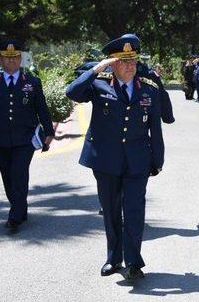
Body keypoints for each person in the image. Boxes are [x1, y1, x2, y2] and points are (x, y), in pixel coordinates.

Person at [65, 33, 164, 280]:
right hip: (106, 160)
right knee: (111, 211)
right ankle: (113, 259)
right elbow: (72, 92)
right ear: (113, 63)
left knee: (134, 210)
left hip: (138, 160)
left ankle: (133, 262)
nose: (131, 66)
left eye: (133, 60)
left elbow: (155, 128)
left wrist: (157, 160)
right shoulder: (99, 83)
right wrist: (96, 69)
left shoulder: (149, 89)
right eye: (124, 61)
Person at [0, 40, 55, 231]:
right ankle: (20, 208)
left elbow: (41, 108)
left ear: (20, 59)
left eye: (15, 57)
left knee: (19, 174)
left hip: (25, 138)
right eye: (7, 58)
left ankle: (15, 218)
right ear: (0, 60)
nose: (12, 61)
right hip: (1, 138)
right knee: (8, 177)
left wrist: (49, 131)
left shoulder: (32, 82)